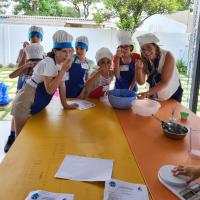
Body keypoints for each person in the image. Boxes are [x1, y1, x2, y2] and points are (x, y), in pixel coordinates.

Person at [8, 30, 78, 151]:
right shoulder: (48, 62)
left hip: (38, 100)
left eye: (69, 51)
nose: (67, 55)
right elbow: (50, 89)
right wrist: (62, 71)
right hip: (25, 99)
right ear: (55, 51)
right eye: (63, 51)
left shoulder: (63, 63)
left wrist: (65, 104)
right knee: (21, 140)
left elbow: (62, 85)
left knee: (33, 138)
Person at [4, 26, 44, 153]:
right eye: (32, 36)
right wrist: (25, 53)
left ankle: (29, 135)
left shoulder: (43, 51)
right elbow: (18, 68)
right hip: (22, 82)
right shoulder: (23, 51)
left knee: (31, 110)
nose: (35, 38)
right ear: (29, 37)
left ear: (41, 38)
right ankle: (12, 135)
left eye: (37, 36)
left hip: (35, 85)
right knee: (17, 109)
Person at [136, 33, 183, 102]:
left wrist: (147, 93)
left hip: (173, 93)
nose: (146, 51)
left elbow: (164, 82)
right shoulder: (143, 59)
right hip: (155, 95)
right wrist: (138, 69)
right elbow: (141, 82)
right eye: (143, 49)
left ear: (155, 46)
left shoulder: (167, 55)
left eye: (149, 47)